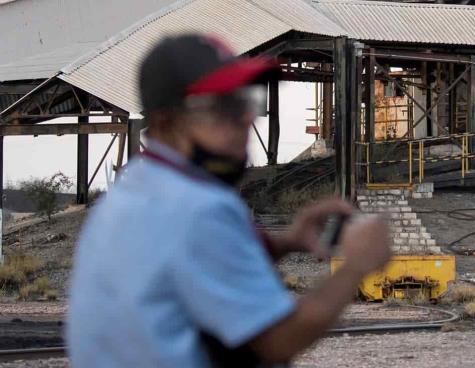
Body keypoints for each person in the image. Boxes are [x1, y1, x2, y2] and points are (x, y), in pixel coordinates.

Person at [66, 34, 391, 367]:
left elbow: (187, 263)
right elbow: (278, 339)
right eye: (222, 107)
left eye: (242, 101)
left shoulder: (134, 189)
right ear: (167, 122)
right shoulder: (197, 206)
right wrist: (356, 266)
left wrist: (286, 242)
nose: (245, 118)